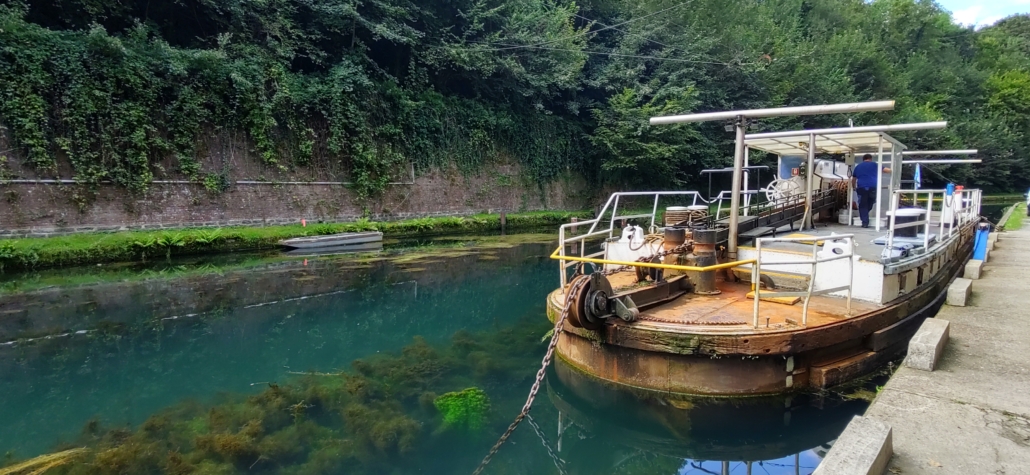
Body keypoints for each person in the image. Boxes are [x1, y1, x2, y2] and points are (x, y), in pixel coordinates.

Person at [852, 154, 891, 228]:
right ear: (870, 158)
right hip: (873, 187)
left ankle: (865, 222)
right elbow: (888, 170)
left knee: (863, 205)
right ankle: (865, 218)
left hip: (861, 188)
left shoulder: (858, 166)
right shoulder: (875, 165)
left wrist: (853, 187)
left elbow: (854, 179)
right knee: (870, 202)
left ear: (863, 159)